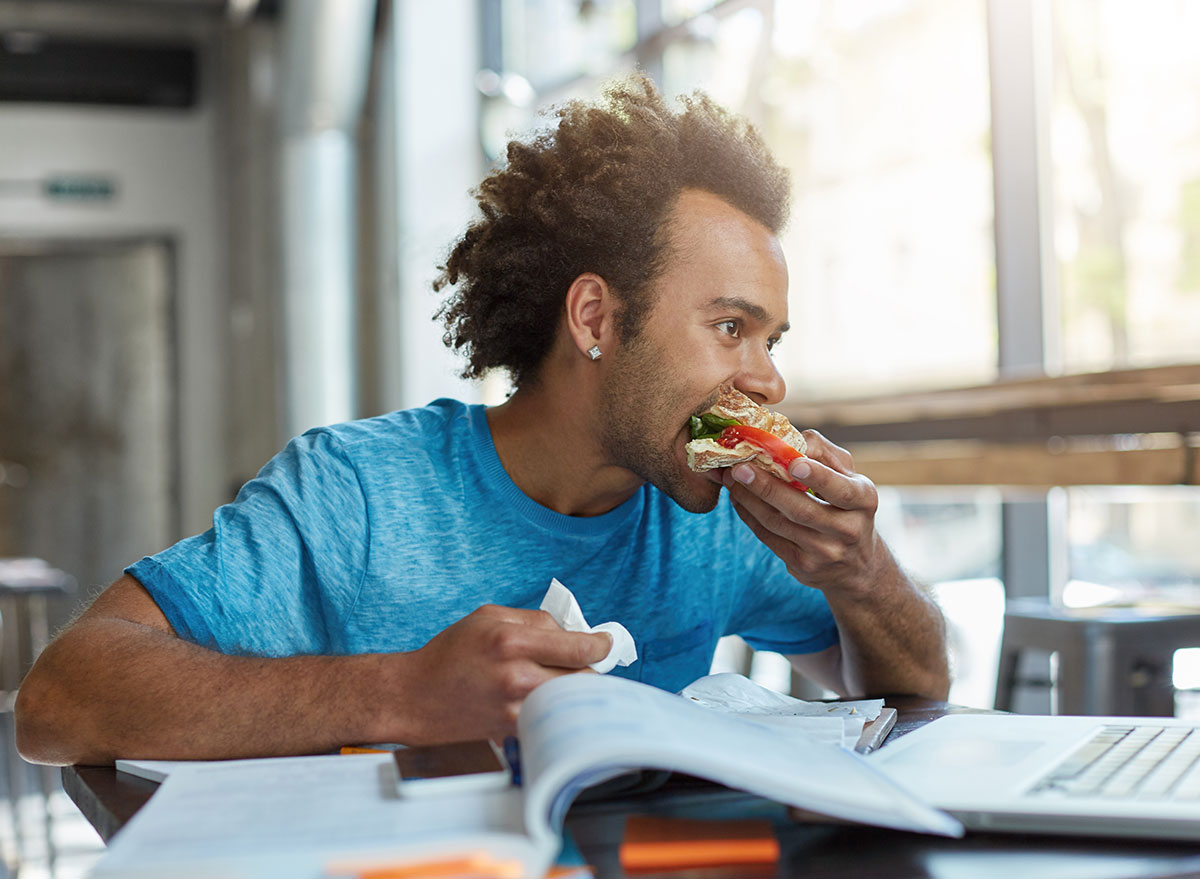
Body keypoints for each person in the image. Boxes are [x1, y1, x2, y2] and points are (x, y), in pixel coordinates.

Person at [15, 75, 948, 766]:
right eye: (731, 328)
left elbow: (915, 689)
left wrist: (863, 574)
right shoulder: (356, 491)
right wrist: (407, 692)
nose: (768, 382)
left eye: (772, 340)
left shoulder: (711, 514)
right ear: (595, 319)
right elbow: (61, 696)